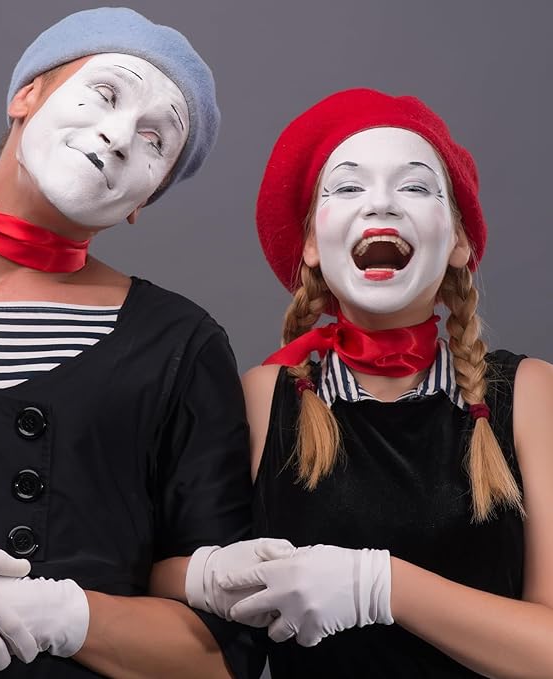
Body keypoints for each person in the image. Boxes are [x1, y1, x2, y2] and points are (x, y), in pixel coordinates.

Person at [0, 7, 264, 679]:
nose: (119, 136)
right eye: (106, 94)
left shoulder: (180, 347)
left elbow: (223, 653)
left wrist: (51, 614)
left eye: (155, 138)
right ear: (25, 95)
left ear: (147, 198)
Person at [180, 89, 553, 677]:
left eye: (415, 187)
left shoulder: (528, 392)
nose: (381, 203)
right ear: (310, 243)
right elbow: (163, 575)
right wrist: (202, 575)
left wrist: (382, 586)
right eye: (349, 187)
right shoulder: (264, 397)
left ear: (459, 242)